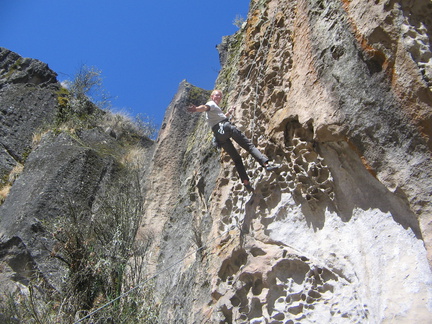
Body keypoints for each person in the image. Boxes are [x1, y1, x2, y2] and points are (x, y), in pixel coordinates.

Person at [187, 89, 278, 191]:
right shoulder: (211, 103)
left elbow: (219, 118)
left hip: (219, 135)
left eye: (220, 96)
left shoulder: (214, 109)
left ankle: (246, 182)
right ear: (212, 96)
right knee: (249, 146)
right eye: (217, 95)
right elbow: (204, 107)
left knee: (236, 159)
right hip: (226, 127)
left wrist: (228, 113)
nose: (219, 97)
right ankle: (266, 164)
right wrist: (196, 109)